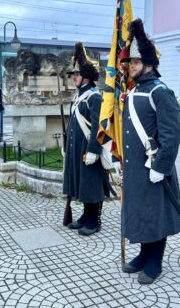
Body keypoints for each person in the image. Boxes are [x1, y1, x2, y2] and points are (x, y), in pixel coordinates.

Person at [119, 19, 180, 285]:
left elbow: (172, 135)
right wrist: (117, 158)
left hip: (155, 166)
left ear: (148, 64)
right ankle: (144, 254)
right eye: (129, 63)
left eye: (135, 62)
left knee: (155, 214)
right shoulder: (134, 91)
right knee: (141, 212)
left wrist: (160, 167)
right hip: (135, 167)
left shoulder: (161, 92)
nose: (130, 66)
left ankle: (155, 260)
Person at [63, 42, 112, 236]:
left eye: (76, 74)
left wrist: (94, 150)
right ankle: (85, 216)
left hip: (89, 150)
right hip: (77, 149)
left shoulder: (94, 97)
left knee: (92, 185)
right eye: (73, 74)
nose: (73, 77)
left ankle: (94, 220)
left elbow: (99, 128)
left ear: (86, 77)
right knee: (82, 184)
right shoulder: (78, 97)